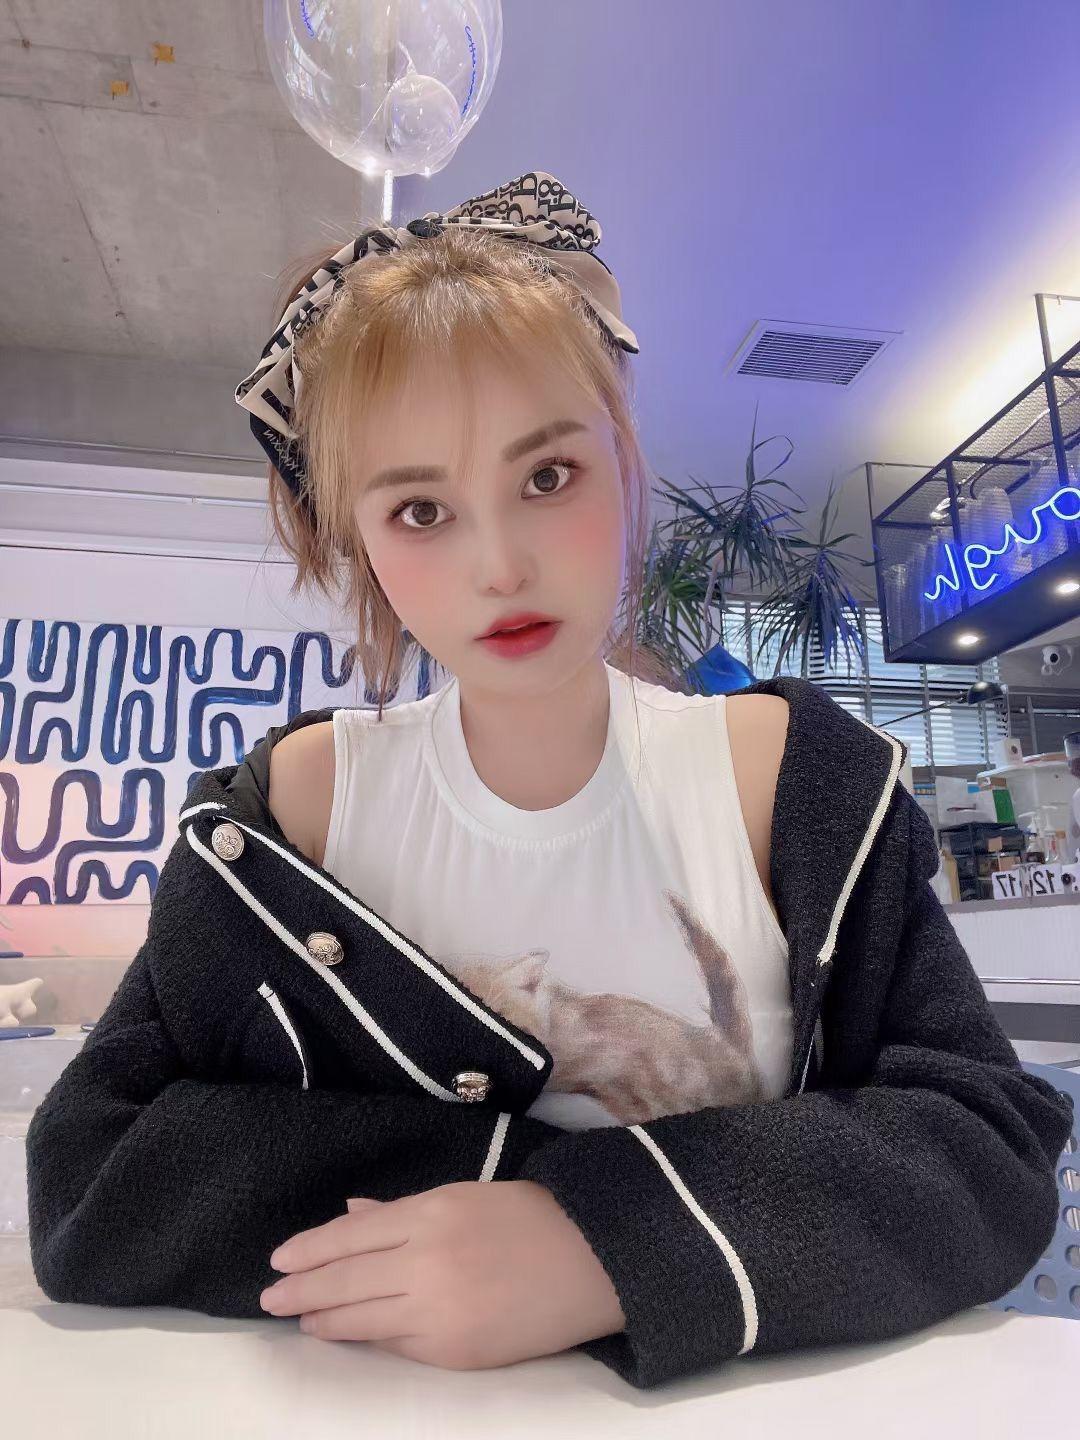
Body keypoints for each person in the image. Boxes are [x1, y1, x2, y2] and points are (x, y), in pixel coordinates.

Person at [25, 171, 1074, 1390]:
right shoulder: (296, 813)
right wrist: (504, 1199)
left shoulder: (788, 781)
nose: (500, 566)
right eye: (421, 510)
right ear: (353, 533)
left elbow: (986, 1147)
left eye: (546, 478)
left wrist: (603, 1240)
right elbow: (91, 1174)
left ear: (622, 458)